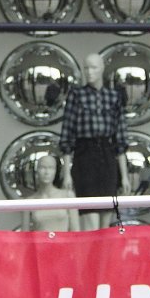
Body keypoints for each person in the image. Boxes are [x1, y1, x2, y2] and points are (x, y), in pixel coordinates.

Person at [58, 52, 128, 230]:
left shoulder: (113, 97)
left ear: (102, 69)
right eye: (86, 68)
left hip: (107, 156)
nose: (89, 72)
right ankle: (91, 256)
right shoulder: (77, 95)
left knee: (106, 215)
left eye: (94, 67)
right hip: (85, 156)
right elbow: (67, 134)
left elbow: (120, 137)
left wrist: (125, 176)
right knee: (89, 216)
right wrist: (66, 173)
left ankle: (103, 258)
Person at [20, 153, 76, 232]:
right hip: (40, 243)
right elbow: (24, 236)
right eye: (42, 167)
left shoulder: (67, 196)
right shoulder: (29, 202)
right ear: (37, 171)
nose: (47, 172)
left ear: (55, 171)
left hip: (63, 243)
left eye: (51, 168)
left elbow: (76, 232)